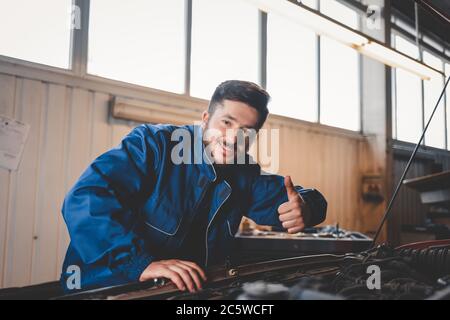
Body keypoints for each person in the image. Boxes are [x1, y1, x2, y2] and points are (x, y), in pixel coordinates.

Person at [60, 80, 327, 293]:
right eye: (226, 123)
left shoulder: (243, 172)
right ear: (205, 118)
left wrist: (307, 207)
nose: (233, 139)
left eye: (247, 131)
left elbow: (291, 198)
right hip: (107, 286)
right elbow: (86, 199)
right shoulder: (153, 145)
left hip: (178, 291)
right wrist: (139, 264)